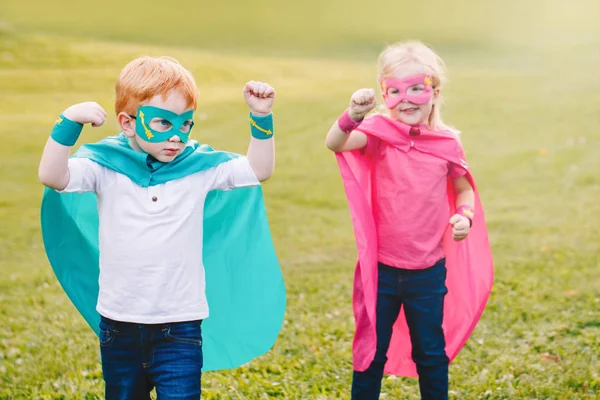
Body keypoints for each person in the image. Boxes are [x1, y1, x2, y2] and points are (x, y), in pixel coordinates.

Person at [38, 56, 285, 399]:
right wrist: (68, 123)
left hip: (180, 326)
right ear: (127, 123)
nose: (177, 136)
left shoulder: (199, 166)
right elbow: (52, 176)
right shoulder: (105, 166)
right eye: (163, 123)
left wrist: (261, 116)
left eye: (185, 124)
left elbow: (258, 171)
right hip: (119, 324)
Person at [324, 41, 494, 400]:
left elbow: (464, 189)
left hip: (428, 272)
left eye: (417, 88)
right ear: (385, 94)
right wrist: (353, 114)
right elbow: (336, 143)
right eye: (396, 91)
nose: (407, 99)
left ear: (434, 92)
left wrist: (464, 216)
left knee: (431, 355)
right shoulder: (378, 136)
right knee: (370, 353)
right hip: (381, 270)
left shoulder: (447, 144)